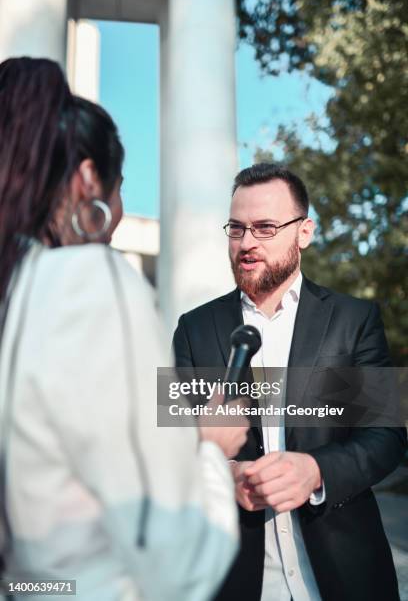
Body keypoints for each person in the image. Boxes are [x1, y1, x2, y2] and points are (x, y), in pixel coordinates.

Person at [0, 57, 249, 601]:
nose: (120, 207)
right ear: (89, 180)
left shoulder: (14, 292)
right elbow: (176, 563)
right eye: (119, 187)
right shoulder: (88, 282)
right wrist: (209, 450)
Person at [173, 162, 407, 601]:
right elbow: (172, 449)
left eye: (265, 227)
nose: (247, 243)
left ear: (304, 232)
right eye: (236, 229)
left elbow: (387, 438)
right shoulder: (194, 329)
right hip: (234, 579)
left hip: (346, 577)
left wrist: (317, 472)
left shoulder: (353, 321)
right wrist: (225, 475)